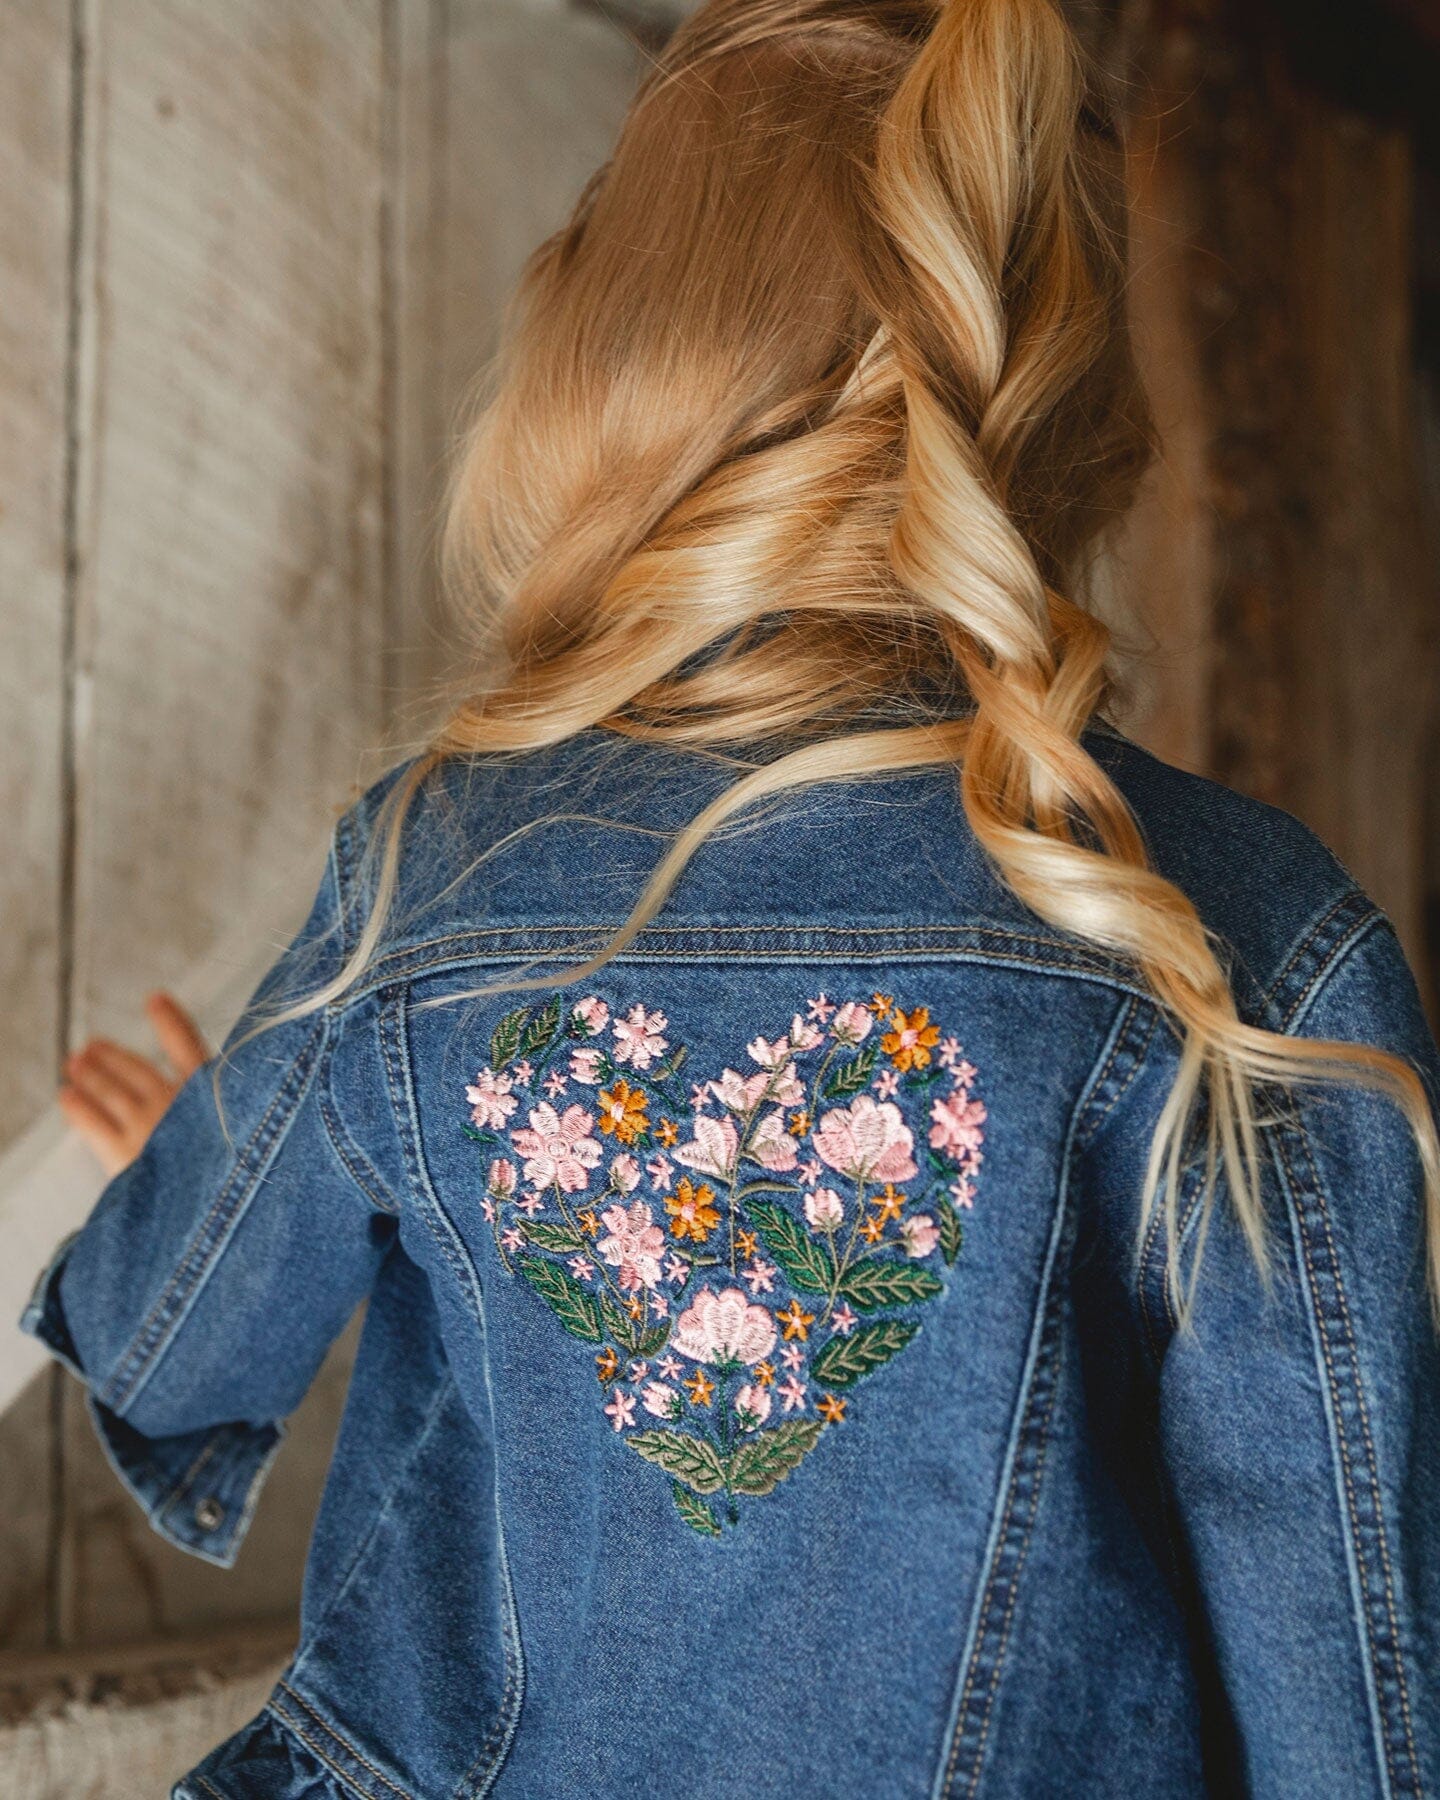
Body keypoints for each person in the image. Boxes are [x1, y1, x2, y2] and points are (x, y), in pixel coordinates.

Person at [23, 2, 1440, 1795]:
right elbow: (1347, 1682)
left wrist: (198, 1168)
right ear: (1067, 403)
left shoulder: (424, 875)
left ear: (601, 351)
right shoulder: (1245, 933)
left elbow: (174, 1344)